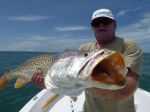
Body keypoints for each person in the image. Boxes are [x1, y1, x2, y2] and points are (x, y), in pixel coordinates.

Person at [32, 8, 143, 112]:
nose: (101, 25)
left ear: (114, 25)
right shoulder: (84, 48)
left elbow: (127, 88)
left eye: (106, 21)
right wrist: (51, 84)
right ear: (92, 27)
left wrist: (80, 82)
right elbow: (72, 86)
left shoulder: (128, 46)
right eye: (96, 23)